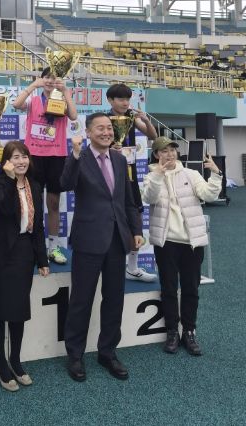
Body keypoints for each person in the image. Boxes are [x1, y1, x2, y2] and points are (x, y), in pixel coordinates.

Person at [60, 113, 144, 382]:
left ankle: (107, 352)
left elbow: (128, 200)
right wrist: (74, 154)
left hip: (117, 240)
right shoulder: (79, 157)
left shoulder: (119, 159)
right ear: (88, 132)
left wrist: (136, 230)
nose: (106, 132)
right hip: (88, 240)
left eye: (109, 128)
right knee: (81, 301)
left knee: (114, 299)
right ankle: (75, 355)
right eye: (100, 128)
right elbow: (65, 184)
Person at [141, 137, 222, 356]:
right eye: (164, 151)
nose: (170, 154)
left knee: (191, 289)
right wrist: (158, 174)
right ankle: (172, 332)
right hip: (166, 242)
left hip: (192, 242)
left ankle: (189, 331)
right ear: (156, 155)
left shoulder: (191, 174)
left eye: (172, 150)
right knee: (168, 289)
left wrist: (216, 174)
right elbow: (149, 198)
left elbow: (209, 195)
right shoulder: (150, 176)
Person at [0, 141, 49, 391]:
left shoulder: (35, 185)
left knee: (19, 309)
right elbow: (7, 209)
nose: (21, 161)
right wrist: (11, 181)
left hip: (24, 252)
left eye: (24, 156)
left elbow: (38, 225)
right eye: (15, 157)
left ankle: (15, 360)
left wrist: (42, 260)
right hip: (2, 253)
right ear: (6, 162)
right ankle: (0, 363)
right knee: (0, 309)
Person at [12, 67, 77, 265]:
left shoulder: (62, 99)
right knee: (33, 203)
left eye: (55, 78)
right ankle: (35, 245)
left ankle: (53, 246)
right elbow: (16, 104)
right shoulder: (34, 100)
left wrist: (66, 91)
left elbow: (74, 116)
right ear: (42, 79)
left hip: (56, 156)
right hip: (34, 157)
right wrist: (33, 85)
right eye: (47, 77)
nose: (50, 81)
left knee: (54, 203)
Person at [106, 83, 157, 282]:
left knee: (135, 215)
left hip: (131, 174)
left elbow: (153, 136)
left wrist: (146, 120)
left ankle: (132, 266)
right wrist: (111, 150)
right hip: (110, 174)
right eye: (121, 99)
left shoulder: (132, 117)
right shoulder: (104, 120)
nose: (125, 103)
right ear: (110, 100)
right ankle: (110, 265)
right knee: (110, 219)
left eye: (127, 99)